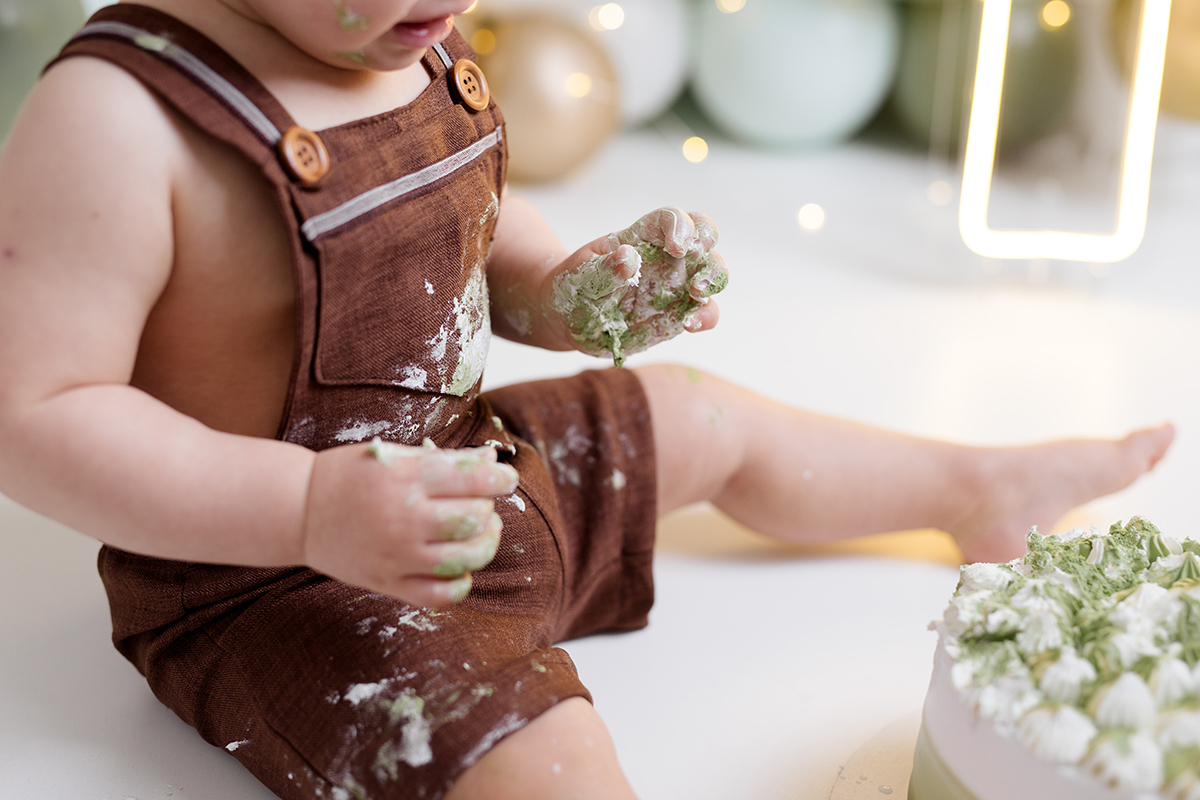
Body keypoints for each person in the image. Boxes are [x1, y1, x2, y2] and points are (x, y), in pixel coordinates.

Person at [0, 1, 1175, 798]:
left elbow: (474, 238)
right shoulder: (119, 121)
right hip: (274, 579)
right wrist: (309, 507)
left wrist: (574, 294)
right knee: (544, 755)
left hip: (472, 472)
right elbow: (35, 415)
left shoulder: (394, 30)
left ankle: (973, 487)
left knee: (702, 417)